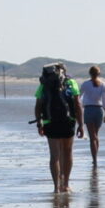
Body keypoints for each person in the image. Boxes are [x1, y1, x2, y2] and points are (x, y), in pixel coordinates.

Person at [34, 62, 82, 193]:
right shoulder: (71, 82)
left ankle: (56, 187)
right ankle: (66, 184)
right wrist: (81, 124)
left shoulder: (44, 84)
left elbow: (38, 105)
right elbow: (77, 104)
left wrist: (39, 123)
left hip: (50, 121)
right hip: (68, 120)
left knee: (54, 155)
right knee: (67, 152)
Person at [79, 65, 105, 167]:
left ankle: (94, 158)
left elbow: (78, 96)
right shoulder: (104, 84)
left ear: (90, 73)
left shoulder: (85, 84)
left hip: (88, 110)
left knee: (93, 137)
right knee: (95, 135)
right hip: (99, 110)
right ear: (99, 73)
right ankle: (95, 157)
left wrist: (77, 108)